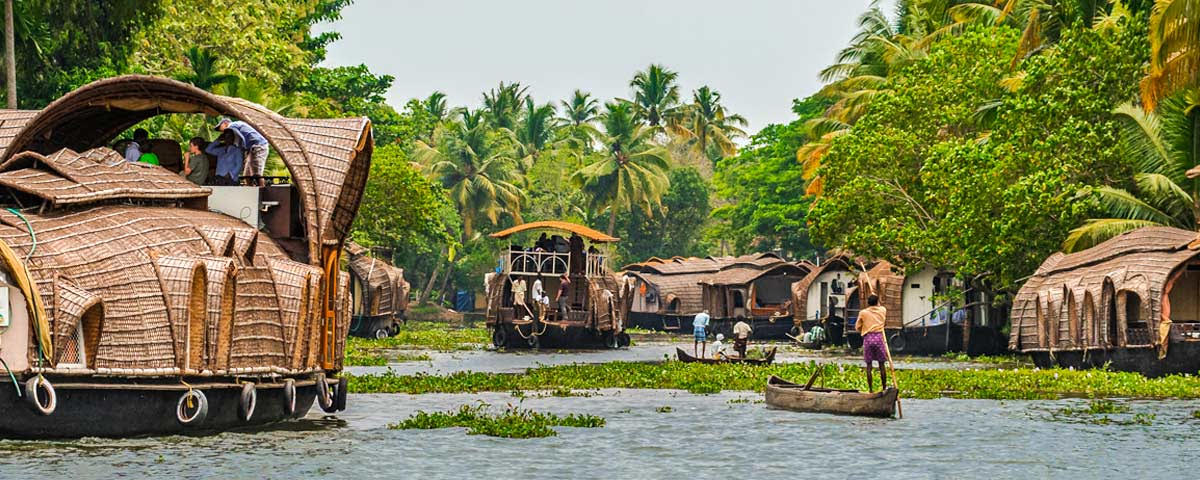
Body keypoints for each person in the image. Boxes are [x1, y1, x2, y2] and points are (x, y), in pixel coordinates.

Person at [214, 117, 269, 187]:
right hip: (252, 149)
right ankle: (251, 191)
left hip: (258, 146)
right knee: (247, 175)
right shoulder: (237, 125)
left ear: (225, 123)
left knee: (256, 174)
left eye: (220, 128)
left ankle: (263, 192)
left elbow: (239, 141)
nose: (221, 131)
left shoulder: (232, 126)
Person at [856, 294, 889, 392]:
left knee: (869, 366)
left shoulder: (863, 313)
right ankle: (884, 388)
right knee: (881, 365)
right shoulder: (883, 310)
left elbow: (857, 327)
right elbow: (881, 307)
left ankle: (870, 390)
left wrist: (864, 327)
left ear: (868, 303)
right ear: (877, 302)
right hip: (879, 338)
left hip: (868, 338)